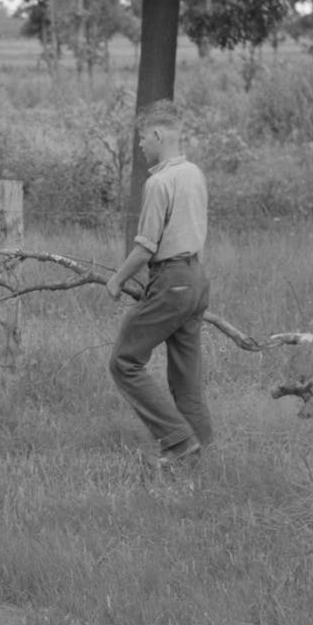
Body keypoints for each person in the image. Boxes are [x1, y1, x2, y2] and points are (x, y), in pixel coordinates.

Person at [106, 100, 211, 469]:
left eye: (141, 139)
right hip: (197, 279)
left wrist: (116, 280)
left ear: (157, 135)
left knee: (124, 361)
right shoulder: (194, 173)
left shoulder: (159, 182)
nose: (139, 146)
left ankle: (178, 442)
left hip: (172, 280)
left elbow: (145, 247)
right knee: (186, 382)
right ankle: (202, 462)